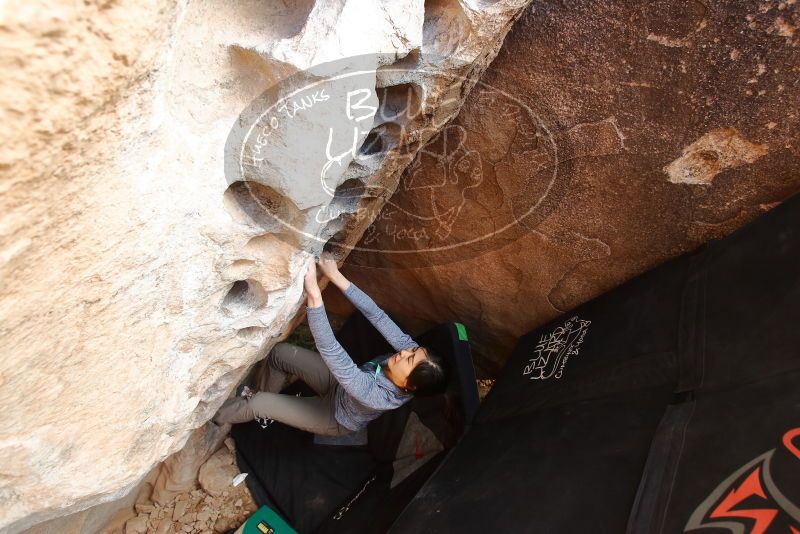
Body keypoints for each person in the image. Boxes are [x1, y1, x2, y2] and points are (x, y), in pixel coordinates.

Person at [213, 252, 447, 436]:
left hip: (334, 416)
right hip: (339, 387)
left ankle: (215, 418)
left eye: (409, 359)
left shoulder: (377, 397)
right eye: (413, 349)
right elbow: (376, 315)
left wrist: (314, 295)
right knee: (280, 354)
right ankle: (263, 408)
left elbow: (331, 350)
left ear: (408, 385)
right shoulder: (407, 357)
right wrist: (335, 276)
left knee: (258, 403)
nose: (404, 351)